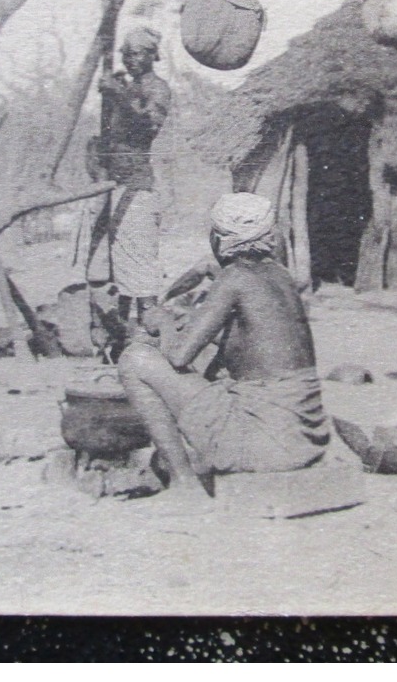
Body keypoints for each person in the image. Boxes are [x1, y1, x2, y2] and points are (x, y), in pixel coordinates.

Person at [117, 193, 330, 500]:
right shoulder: (280, 276)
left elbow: (178, 355)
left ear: (218, 239)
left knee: (135, 360)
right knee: (208, 362)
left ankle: (184, 487)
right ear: (268, 237)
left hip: (268, 446)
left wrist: (162, 321)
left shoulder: (234, 278)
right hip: (307, 438)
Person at [87, 27, 173, 359]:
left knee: (140, 269)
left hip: (136, 187)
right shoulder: (129, 87)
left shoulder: (157, 89)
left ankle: (151, 340)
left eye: (138, 53)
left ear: (153, 55)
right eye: (127, 53)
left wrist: (118, 96)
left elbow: (148, 128)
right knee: (120, 269)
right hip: (114, 184)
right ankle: (121, 340)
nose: (131, 59)